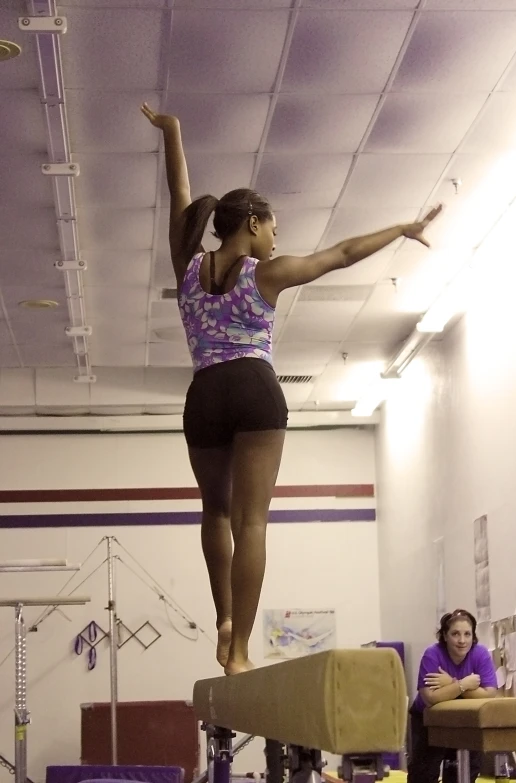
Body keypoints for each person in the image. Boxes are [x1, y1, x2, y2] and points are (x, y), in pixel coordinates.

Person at [140, 101, 442, 675]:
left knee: (216, 512)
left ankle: (224, 618)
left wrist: (173, 132)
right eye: (273, 227)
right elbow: (344, 254)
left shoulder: (187, 266)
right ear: (252, 223)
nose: (277, 239)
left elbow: (179, 197)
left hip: (203, 395)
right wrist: (403, 228)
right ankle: (241, 650)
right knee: (253, 521)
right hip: (253, 388)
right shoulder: (265, 275)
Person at [408, 609, 497, 783]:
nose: (462, 640)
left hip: (463, 719)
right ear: (445, 636)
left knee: (464, 772)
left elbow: (489, 694)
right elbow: (430, 698)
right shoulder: (432, 654)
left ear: (473, 636)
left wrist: (450, 683)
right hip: (428, 718)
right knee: (424, 771)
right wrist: (463, 684)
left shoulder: (480, 654)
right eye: (455, 634)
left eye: (467, 634)